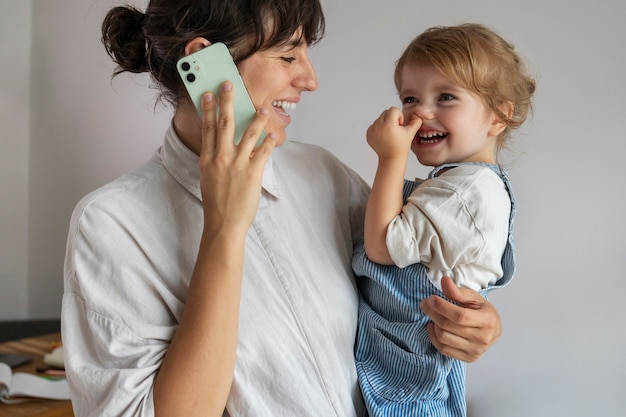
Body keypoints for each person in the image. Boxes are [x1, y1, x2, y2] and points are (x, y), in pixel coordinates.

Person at [61, 1, 504, 415]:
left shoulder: (323, 175)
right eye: (288, 57)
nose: (310, 79)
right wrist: (224, 228)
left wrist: (474, 326)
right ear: (206, 62)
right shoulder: (111, 225)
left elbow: (406, 293)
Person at [352, 23, 536, 416]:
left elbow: (382, 246)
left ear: (499, 116)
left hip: (406, 372)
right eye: (410, 97)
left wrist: (390, 158)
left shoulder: (463, 193)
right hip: (407, 362)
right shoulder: (461, 185)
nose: (421, 111)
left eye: (446, 96)